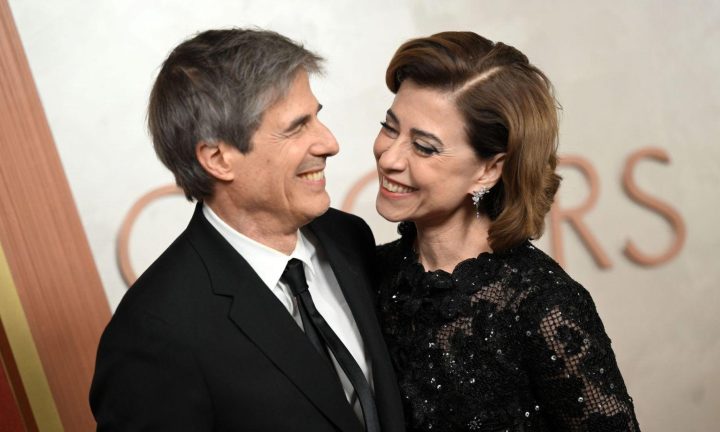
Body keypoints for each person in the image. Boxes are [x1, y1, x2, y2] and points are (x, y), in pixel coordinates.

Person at [90, 28, 404, 432]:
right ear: (219, 158)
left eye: (318, 116)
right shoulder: (156, 330)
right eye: (296, 127)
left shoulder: (349, 239)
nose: (329, 143)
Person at [373, 31, 640, 431]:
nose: (389, 157)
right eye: (390, 127)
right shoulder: (367, 270)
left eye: (424, 147)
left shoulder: (543, 304)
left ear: (488, 169)